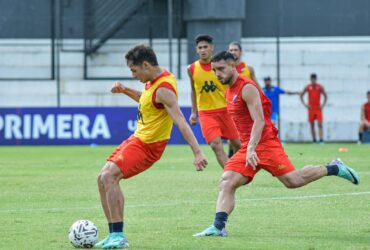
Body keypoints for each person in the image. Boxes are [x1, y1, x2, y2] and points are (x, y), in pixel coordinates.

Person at [193, 51, 360, 237]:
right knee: (227, 181)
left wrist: (250, 148)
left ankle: (334, 168)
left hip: (265, 144)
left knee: (293, 181)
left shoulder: (247, 88)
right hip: (249, 146)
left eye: (221, 69)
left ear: (234, 66)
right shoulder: (228, 90)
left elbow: (260, 120)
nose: (217, 74)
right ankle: (218, 227)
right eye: (215, 70)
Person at [96, 45, 208, 248]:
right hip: (137, 138)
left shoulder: (164, 88)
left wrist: (198, 152)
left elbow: (180, 120)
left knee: (109, 177)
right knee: (102, 179)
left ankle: (119, 236)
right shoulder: (152, 82)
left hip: (148, 145)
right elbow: (147, 100)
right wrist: (125, 90)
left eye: (134, 70)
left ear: (146, 65)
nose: (133, 75)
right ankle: (113, 232)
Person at [188, 34, 240, 167]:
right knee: (215, 145)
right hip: (206, 113)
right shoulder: (191, 69)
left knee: (238, 144)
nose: (203, 50)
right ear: (196, 50)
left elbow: (233, 85)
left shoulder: (221, 65)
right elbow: (194, 90)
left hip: (226, 110)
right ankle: (230, 175)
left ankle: (239, 170)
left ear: (212, 48)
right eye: (200, 47)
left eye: (206, 47)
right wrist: (194, 112)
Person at [300, 73, 328, 143]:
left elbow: (325, 96)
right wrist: (305, 105)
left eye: (314, 79)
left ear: (316, 79)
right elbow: (301, 95)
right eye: (312, 80)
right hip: (311, 108)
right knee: (312, 125)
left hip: (318, 108)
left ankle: (321, 140)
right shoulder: (308, 87)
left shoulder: (320, 87)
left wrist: (322, 105)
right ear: (310, 80)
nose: (313, 81)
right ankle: (314, 140)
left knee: (320, 124)